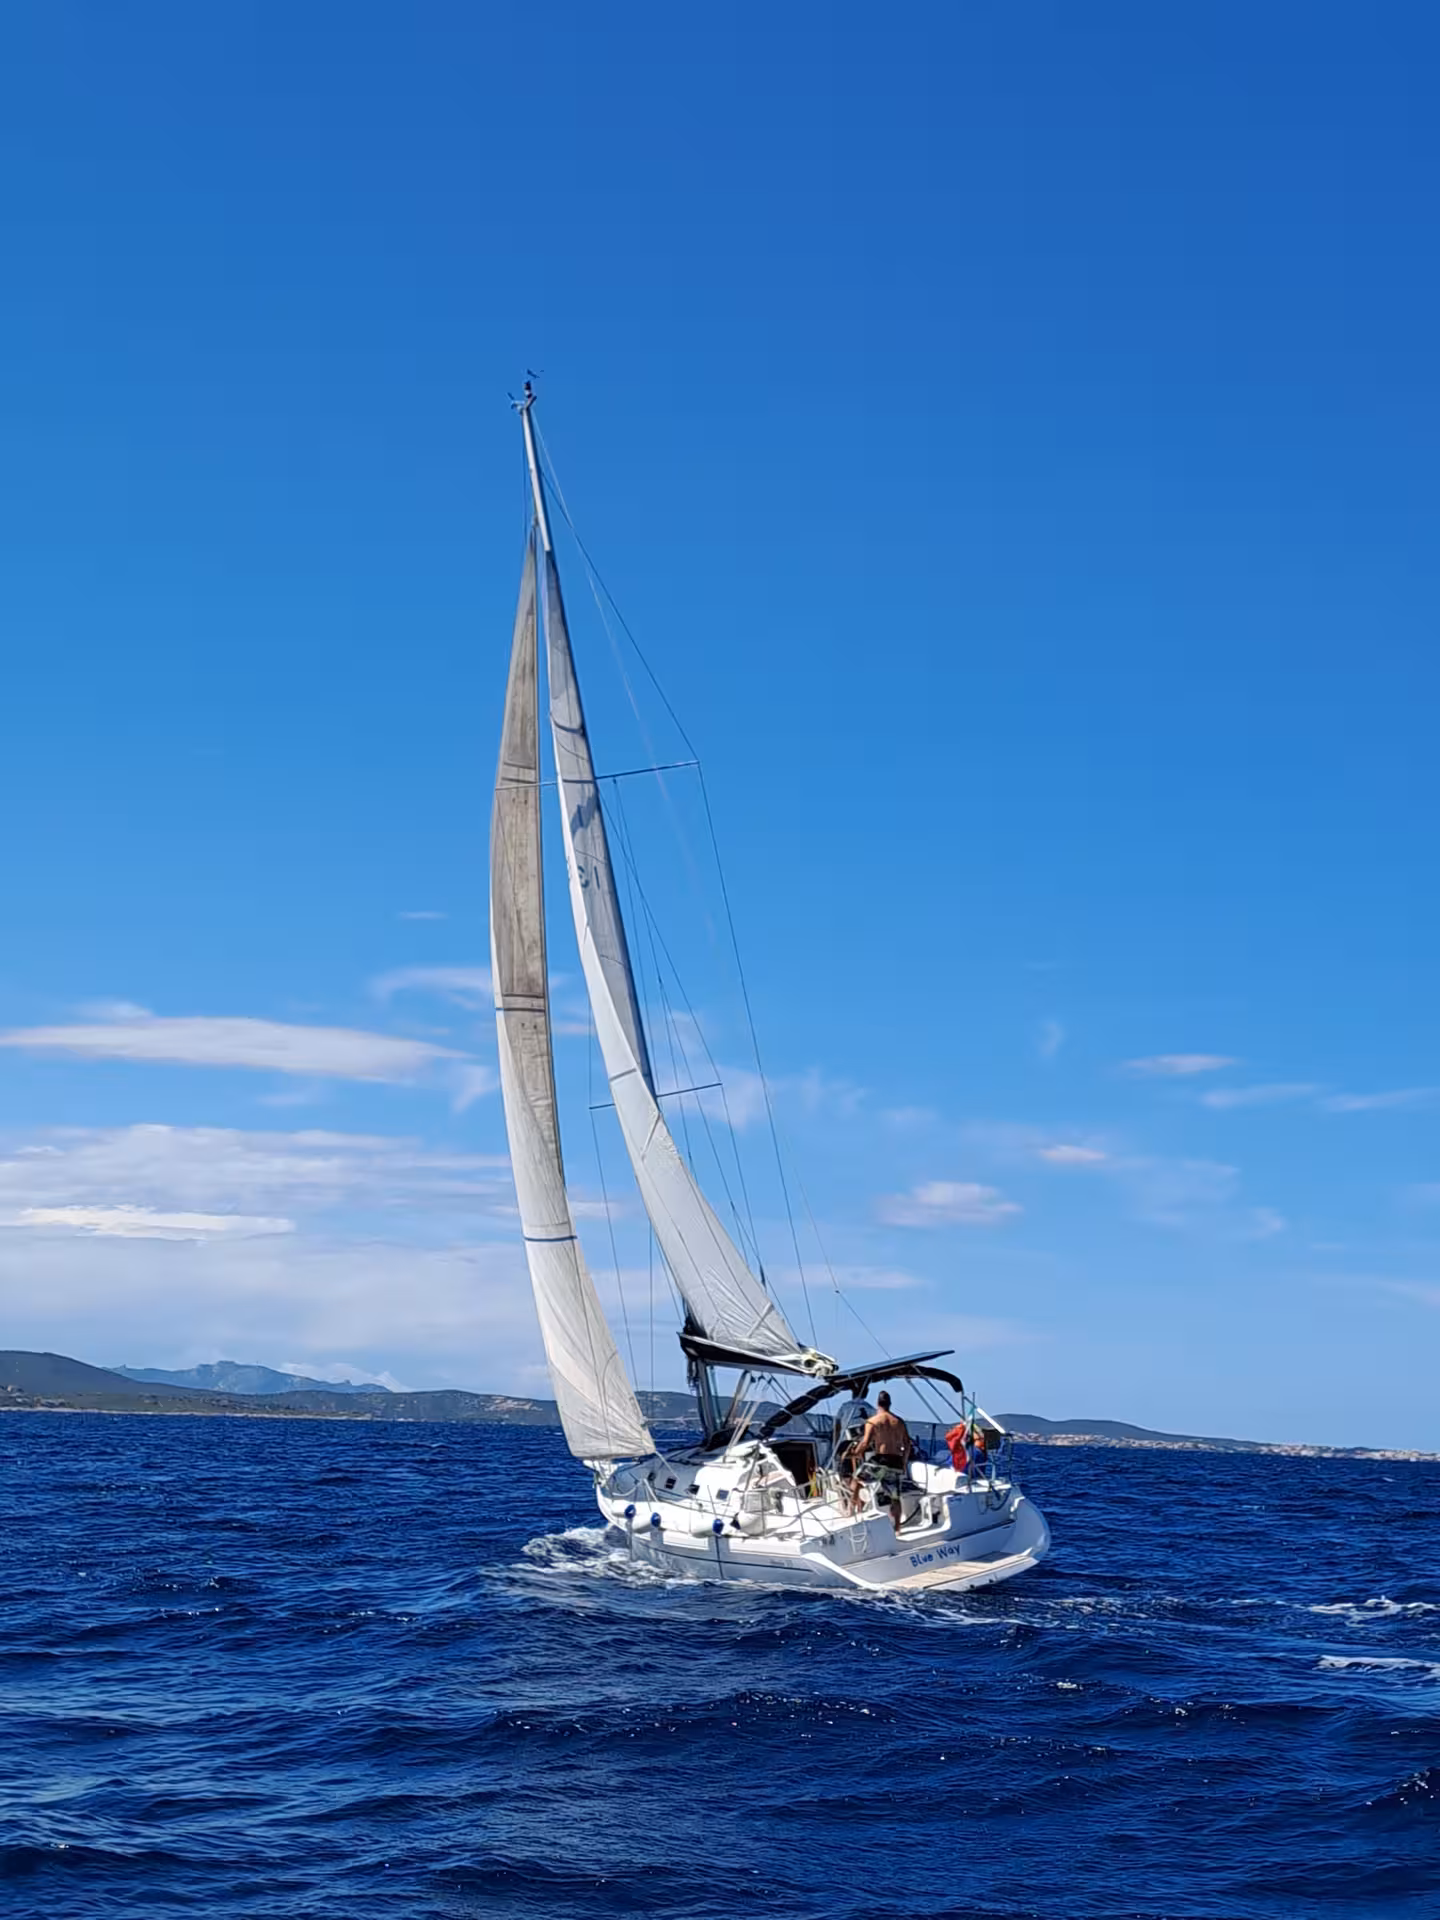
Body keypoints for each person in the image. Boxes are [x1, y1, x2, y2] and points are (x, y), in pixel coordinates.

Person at [851, 1390, 913, 1531]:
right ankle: (897, 1528)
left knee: (857, 1480)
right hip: (896, 1461)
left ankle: (852, 1512)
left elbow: (865, 1443)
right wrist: (903, 1462)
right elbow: (907, 1444)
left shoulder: (872, 1421)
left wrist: (855, 1453)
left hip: (880, 1460)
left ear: (877, 1404)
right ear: (890, 1404)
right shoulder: (898, 1421)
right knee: (895, 1496)